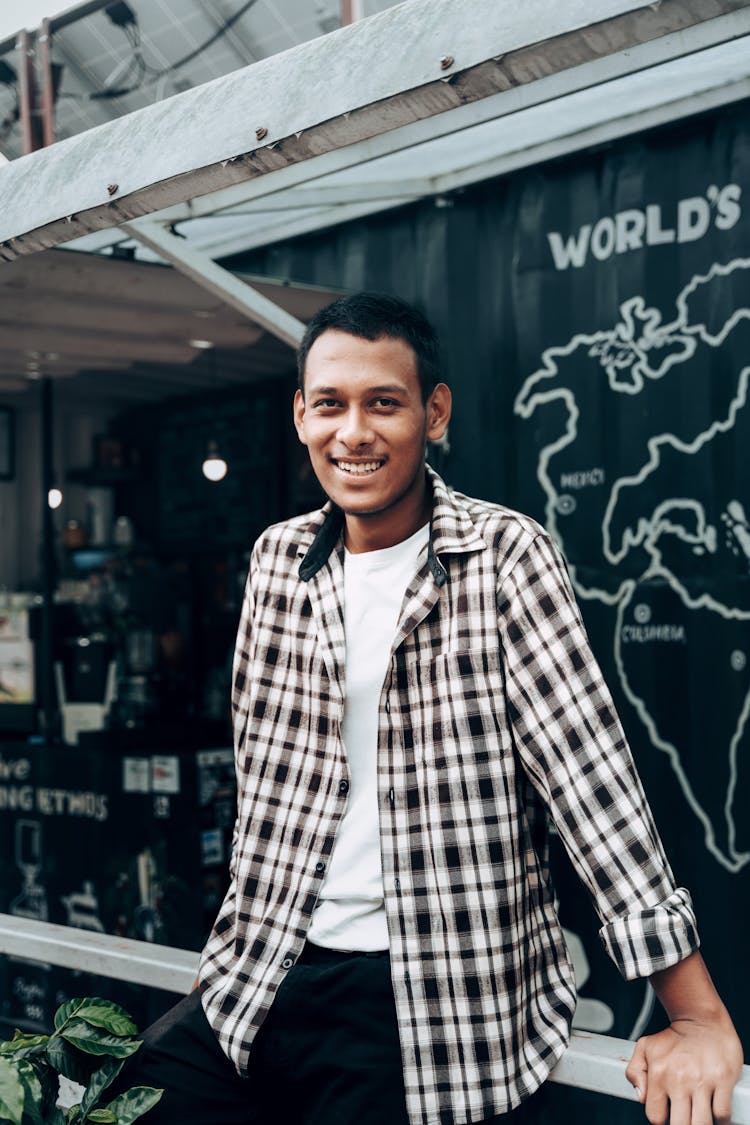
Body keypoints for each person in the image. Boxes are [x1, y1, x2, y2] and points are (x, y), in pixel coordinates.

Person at [123, 293, 742, 1125]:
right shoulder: (277, 559)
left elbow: (592, 785)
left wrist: (695, 1013)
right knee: (114, 1106)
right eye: (332, 405)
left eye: (384, 402)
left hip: (418, 997)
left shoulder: (504, 555)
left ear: (434, 413)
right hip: (264, 970)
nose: (354, 433)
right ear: (301, 414)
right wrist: (229, 948)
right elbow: (264, 787)